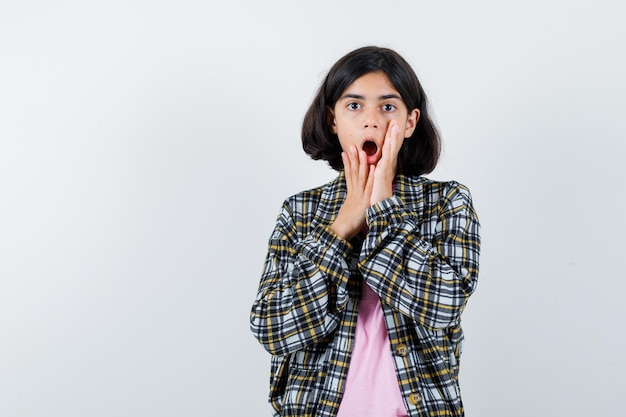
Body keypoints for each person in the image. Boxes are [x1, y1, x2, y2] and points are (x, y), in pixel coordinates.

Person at [249, 45, 481, 417]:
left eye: (387, 107)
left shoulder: (446, 201)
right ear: (333, 120)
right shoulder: (300, 211)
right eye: (354, 106)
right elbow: (273, 329)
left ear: (410, 121)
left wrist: (382, 207)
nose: (371, 121)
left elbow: (443, 305)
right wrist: (341, 226)